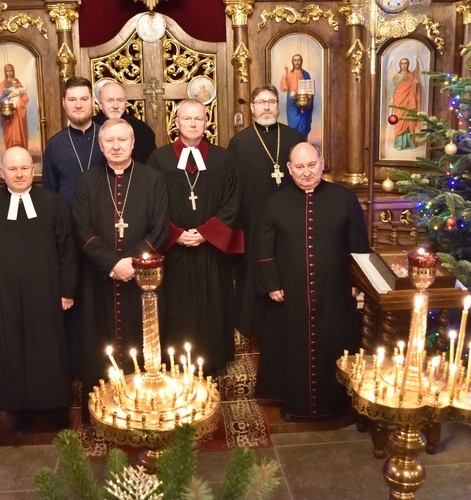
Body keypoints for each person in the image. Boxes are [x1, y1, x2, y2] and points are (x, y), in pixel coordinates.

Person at [0, 147, 79, 435]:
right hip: (4, 294)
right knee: (11, 350)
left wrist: (67, 290)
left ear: (33, 171)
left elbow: (68, 249)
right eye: (13, 169)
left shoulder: (54, 204)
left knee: (49, 349)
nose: (19, 174)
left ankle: (55, 410)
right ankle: (19, 413)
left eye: (25, 168)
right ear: (2, 172)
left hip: (47, 290)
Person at [254, 142, 369, 420]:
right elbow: (263, 249)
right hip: (290, 292)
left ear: (322, 162)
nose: (307, 172)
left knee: (335, 344)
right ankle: (294, 404)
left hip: (335, 291)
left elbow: (359, 246)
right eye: (300, 167)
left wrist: (357, 284)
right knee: (292, 348)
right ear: (289, 169)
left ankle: (337, 404)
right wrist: (271, 284)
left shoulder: (344, 199)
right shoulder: (275, 202)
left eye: (312, 165)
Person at [73, 118, 168, 398]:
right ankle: (102, 403)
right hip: (99, 279)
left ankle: (146, 398)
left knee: (143, 338)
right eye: (109, 141)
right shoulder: (87, 181)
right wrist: (113, 264)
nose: (116, 146)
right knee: (100, 343)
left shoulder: (153, 179)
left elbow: (159, 229)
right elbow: (82, 229)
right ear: (101, 145)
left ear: (133, 143)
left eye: (122, 140)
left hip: (143, 279)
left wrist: (132, 263)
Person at [146, 99, 242, 374]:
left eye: (197, 119)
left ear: (206, 122)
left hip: (211, 251)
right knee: (175, 306)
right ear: (176, 123)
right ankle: (175, 361)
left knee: (213, 303)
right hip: (173, 251)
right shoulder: (159, 158)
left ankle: (212, 360)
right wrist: (174, 234)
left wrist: (204, 233)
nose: (192, 124)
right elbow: (151, 204)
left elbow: (232, 203)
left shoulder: (223, 159)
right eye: (186, 119)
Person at [228, 85, 305, 339]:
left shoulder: (294, 138)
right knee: (252, 271)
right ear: (252, 108)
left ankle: (288, 322)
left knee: (287, 266)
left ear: (278, 106)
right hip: (251, 219)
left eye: (271, 101)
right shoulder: (239, 142)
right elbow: (232, 186)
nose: (267, 107)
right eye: (261, 102)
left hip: (289, 220)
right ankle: (250, 324)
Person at [43, 76, 105, 206]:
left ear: (93, 101)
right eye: (72, 100)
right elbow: (49, 193)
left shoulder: (108, 137)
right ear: (64, 102)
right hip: (67, 220)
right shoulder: (54, 144)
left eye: (84, 99)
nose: (78, 105)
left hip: (104, 218)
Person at [92, 81, 156, 165]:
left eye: (120, 100)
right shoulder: (90, 127)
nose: (115, 106)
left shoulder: (142, 130)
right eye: (110, 100)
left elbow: (149, 169)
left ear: (125, 103)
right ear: (100, 104)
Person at [278, 54, 314, 138]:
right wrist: (286, 74)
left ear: (301, 61)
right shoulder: (289, 74)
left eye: (299, 60)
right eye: (295, 60)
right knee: (292, 125)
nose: (297, 62)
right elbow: (284, 88)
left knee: (303, 125)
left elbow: (310, 90)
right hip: (292, 103)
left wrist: (308, 100)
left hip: (303, 103)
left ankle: (303, 143)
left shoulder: (305, 74)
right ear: (292, 62)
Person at [390, 58, 422, 150]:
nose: (404, 65)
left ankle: (409, 142)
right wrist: (392, 98)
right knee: (399, 119)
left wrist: (416, 84)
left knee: (409, 119)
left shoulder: (412, 75)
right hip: (398, 100)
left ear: (408, 64)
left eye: (406, 63)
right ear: (400, 65)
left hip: (409, 101)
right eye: (402, 63)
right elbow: (393, 87)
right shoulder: (396, 76)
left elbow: (415, 87)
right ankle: (399, 143)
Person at [0, 64, 30, 150]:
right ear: (5, 72)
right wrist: (9, 97)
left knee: (19, 130)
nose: (9, 73)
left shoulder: (17, 83)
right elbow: (0, 99)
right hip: (8, 112)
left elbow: (24, 96)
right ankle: (10, 151)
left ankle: (21, 150)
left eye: (11, 70)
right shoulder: (2, 84)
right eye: (7, 71)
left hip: (18, 112)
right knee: (9, 133)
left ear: (13, 71)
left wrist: (20, 103)